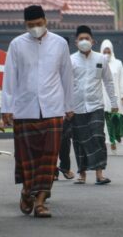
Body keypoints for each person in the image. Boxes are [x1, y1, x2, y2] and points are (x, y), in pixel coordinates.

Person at [1, 5, 74, 218]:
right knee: (27, 158)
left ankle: (41, 201)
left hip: (52, 109)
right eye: (30, 25)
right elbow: (9, 77)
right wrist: (7, 107)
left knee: (49, 158)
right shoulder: (16, 45)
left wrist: (69, 106)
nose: (35, 28)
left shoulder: (60, 44)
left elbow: (66, 76)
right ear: (25, 25)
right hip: (24, 110)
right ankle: (26, 191)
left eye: (38, 24)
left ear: (45, 21)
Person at [70, 25, 118, 185]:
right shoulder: (70, 60)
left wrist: (114, 102)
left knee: (98, 137)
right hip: (76, 107)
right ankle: (81, 174)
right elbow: (65, 84)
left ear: (93, 41)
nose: (84, 41)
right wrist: (65, 107)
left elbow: (109, 81)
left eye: (87, 39)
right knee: (79, 140)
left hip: (96, 105)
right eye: (81, 39)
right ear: (76, 42)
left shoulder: (101, 59)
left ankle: (99, 173)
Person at [100, 39, 123, 154]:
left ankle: (114, 140)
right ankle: (106, 142)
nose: (107, 53)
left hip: (114, 97)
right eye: (104, 51)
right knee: (104, 120)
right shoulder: (98, 62)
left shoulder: (118, 63)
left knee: (115, 119)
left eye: (108, 51)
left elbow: (122, 80)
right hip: (101, 95)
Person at [54, 36, 75, 181]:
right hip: (52, 107)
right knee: (50, 142)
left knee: (65, 141)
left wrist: (70, 106)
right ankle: (52, 171)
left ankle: (65, 167)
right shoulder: (51, 62)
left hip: (67, 108)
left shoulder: (73, 62)